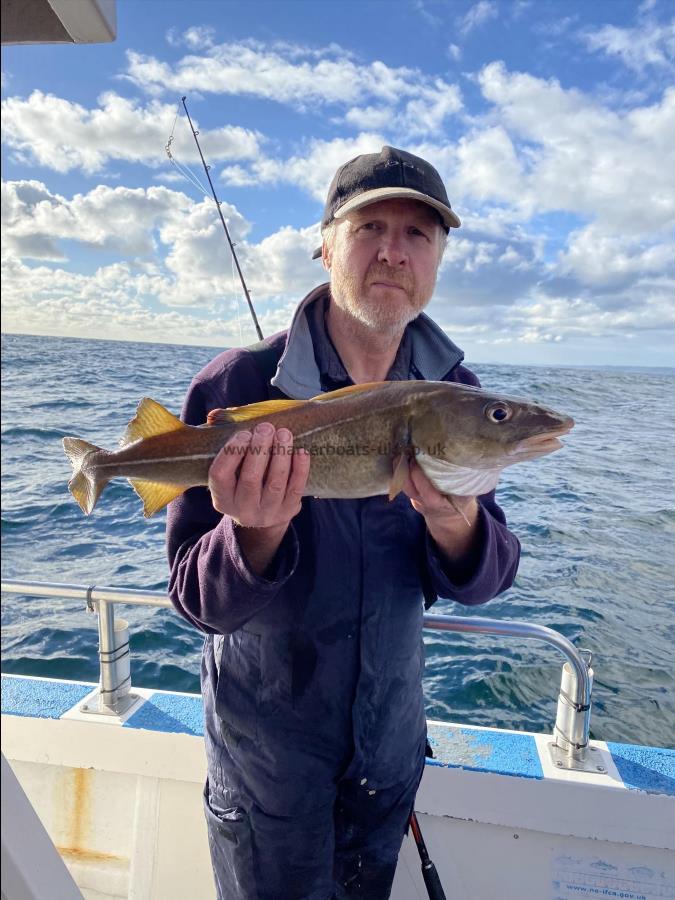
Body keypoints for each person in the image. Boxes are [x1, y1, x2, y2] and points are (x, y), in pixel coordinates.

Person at [167, 145, 521, 900]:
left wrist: (457, 526)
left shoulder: (456, 398)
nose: (394, 251)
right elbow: (196, 602)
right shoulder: (235, 386)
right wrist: (251, 537)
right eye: (370, 227)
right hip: (266, 773)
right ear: (326, 243)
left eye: (418, 234)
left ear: (437, 261)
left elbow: (488, 580)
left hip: (386, 760)